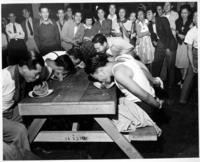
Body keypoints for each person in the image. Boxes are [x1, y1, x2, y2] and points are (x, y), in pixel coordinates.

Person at [85, 53, 162, 135]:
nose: (102, 81)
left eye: (98, 78)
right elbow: (142, 68)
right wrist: (153, 81)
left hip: (143, 109)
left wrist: (158, 105)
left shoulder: (119, 74)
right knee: (111, 109)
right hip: (148, 102)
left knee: (103, 115)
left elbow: (145, 96)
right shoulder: (121, 60)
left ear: (100, 70)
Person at [3, 50, 44, 159]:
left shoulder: (20, 72)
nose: (37, 77)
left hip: (8, 111)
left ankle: (23, 148)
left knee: (35, 110)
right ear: (25, 68)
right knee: (19, 130)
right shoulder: (4, 79)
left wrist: (37, 85)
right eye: (36, 74)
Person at [147, 7, 177, 89]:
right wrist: (153, 40)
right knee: (156, 64)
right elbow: (153, 35)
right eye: (147, 14)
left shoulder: (163, 19)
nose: (147, 15)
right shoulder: (149, 25)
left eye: (149, 13)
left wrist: (167, 48)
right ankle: (155, 83)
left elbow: (169, 34)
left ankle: (171, 85)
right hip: (160, 45)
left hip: (170, 44)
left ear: (154, 14)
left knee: (170, 67)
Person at [179, 10, 198, 104]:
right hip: (195, 53)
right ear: (194, 20)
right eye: (196, 16)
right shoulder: (192, 32)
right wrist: (192, 64)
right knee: (189, 75)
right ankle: (182, 99)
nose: (198, 17)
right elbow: (189, 50)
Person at [175, 5, 193, 86]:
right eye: (182, 12)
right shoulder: (177, 21)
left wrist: (185, 36)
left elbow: (193, 36)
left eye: (185, 13)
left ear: (189, 13)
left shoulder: (191, 22)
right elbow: (177, 31)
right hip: (179, 44)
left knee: (185, 64)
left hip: (187, 46)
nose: (183, 14)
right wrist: (177, 33)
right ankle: (183, 78)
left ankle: (183, 80)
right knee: (179, 64)